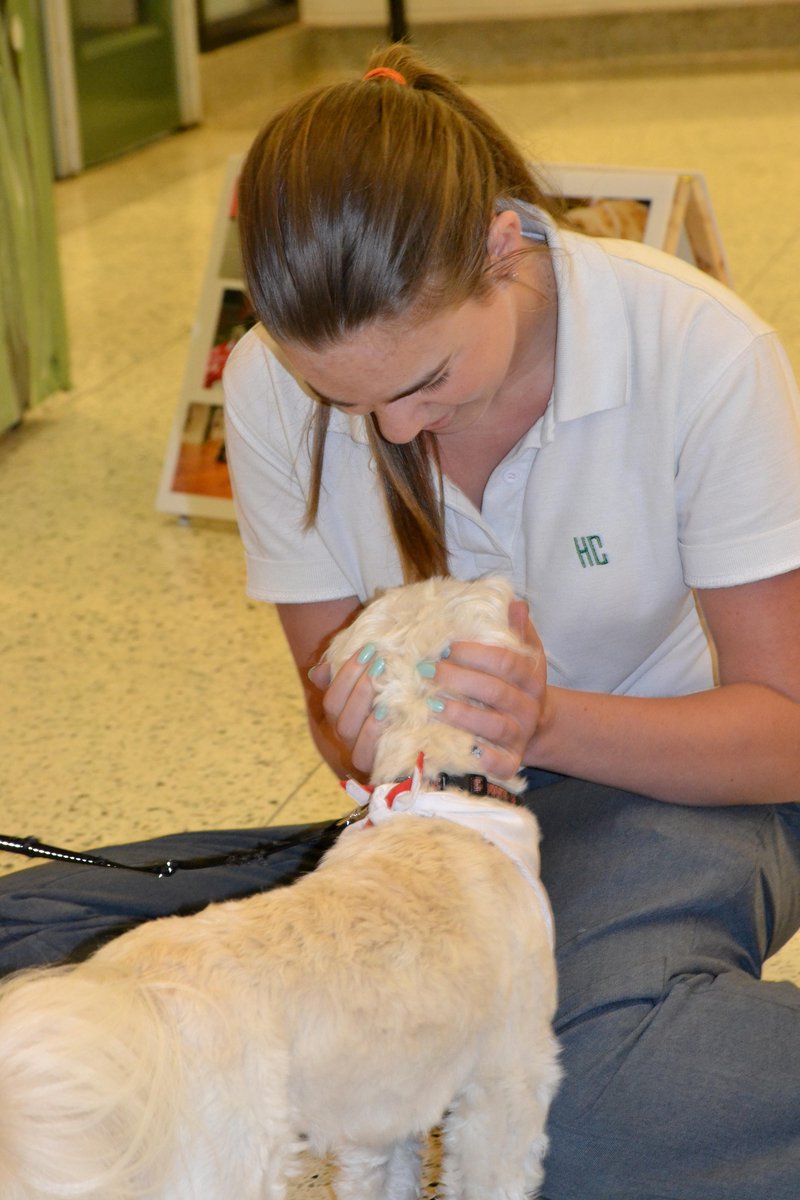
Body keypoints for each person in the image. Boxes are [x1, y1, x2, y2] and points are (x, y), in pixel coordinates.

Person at [1, 44, 799, 1199]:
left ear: (501, 245)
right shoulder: (273, 385)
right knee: (53, 986)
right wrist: (359, 733)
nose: (389, 431)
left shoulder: (696, 352)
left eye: (425, 380)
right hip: (430, 830)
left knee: (591, 1112)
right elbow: (341, 743)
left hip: (675, 785)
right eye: (350, 400)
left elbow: (781, 731)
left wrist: (546, 722)